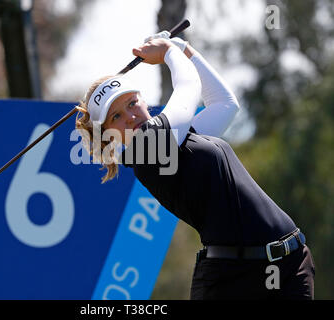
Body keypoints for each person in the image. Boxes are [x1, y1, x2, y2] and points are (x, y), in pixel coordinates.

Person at [75, 32, 315, 300]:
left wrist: (183, 48)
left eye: (132, 103)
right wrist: (168, 52)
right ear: (107, 133)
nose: (130, 116)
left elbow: (225, 104)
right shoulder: (145, 150)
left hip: (289, 267)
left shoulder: (180, 138)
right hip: (233, 282)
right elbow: (188, 88)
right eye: (116, 116)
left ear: (144, 101)